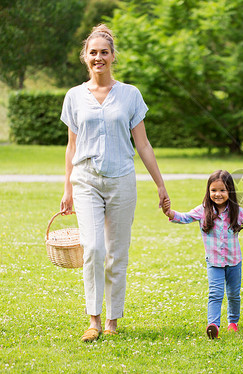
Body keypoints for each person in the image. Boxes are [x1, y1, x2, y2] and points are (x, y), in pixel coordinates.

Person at [60, 24, 170, 342]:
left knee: (116, 253)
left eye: (104, 52)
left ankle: (112, 319)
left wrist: (160, 185)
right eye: (92, 52)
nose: (98, 57)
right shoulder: (74, 97)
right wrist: (67, 188)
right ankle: (93, 320)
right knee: (93, 248)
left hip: (122, 180)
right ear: (85, 57)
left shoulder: (130, 95)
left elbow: (144, 145)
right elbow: (71, 145)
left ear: (112, 57)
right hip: (86, 181)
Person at [162, 170, 243, 339]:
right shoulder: (203, 210)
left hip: (234, 262)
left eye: (222, 190)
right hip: (214, 263)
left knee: (233, 294)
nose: (217, 194)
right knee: (215, 293)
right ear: (208, 191)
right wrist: (169, 213)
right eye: (214, 190)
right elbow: (185, 217)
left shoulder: (236, 211)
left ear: (230, 191)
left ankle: (233, 322)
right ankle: (213, 325)